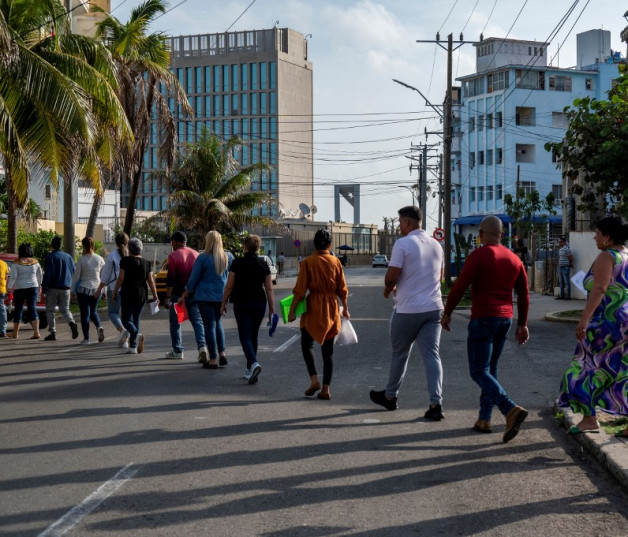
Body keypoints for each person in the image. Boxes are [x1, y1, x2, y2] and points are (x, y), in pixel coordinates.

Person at [441, 215, 530, 443]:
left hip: (483, 318)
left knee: (478, 371)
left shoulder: (478, 255)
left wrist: (447, 312)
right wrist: (523, 324)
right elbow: (524, 294)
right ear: (502, 234)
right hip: (506, 319)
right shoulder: (514, 259)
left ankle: (510, 409)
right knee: (490, 369)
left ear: (481, 233)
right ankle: (484, 419)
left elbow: (460, 285)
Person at [369, 206, 445, 419]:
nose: (399, 226)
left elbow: (392, 276)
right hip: (434, 309)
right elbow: (439, 277)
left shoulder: (402, 244)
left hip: (408, 310)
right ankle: (435, 404)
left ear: (408, 223)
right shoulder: (436, 246)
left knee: (400, 354)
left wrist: (388, 288)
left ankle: (391, 396)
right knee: (432, 356)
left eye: (401, 222)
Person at [557, 216, 628, 437]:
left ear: (607, 237)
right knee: (622, 371)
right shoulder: (626, 255)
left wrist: (584, 319)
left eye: (597, 233)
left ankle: (589, 419)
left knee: (582, 368)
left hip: (606, 324)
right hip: (624, 320)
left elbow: (599, 289)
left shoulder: (607, 256)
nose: (595, 238)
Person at [288, 229, 349, 400]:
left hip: (313, 306)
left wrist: (292, 311)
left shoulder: (308, 262)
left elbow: (300, 290)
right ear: (329, 245)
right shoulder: (336, 262)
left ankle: (314, 379)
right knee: (327, 350)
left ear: (315, 244)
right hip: (330, 307)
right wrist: (346, 308)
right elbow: (342, 289)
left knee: (306, 344)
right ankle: (326, 389)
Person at [221, 234, 275, 384]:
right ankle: (249, 370)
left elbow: (229, 286)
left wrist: (223, 302)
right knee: (253, 335)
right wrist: (272, 309)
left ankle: (253, 363)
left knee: (244, 336)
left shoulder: (237, 263)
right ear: (258, 247)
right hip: (259, 302)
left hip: (242, 302)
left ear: (244, 246)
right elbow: (269, 289)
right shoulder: (263, 264)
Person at [180, 231, 232, 368]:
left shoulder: (202, 258)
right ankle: (222, 354)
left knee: (209, 326)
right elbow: (229, 279)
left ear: (208, 241)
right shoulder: (227, 257)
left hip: (204, 296)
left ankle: (213, 359)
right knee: (218, 323)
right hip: (220, 296)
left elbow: (193, 279)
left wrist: (185, 293)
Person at [112, 238, 158, 354]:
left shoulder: (125, 261)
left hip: (128, 294)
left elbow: (121, 278)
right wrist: (155, 294)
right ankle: (133, 346)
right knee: (136, 318)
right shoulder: (147, 263)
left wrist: (114, 291)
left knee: (126, 319)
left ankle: (136, 335)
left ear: (130, 248)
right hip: (142, 295)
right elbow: (150, 281)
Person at [163, 231, 204, 360]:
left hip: (177, 296)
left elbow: (170, 279)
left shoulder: (173, 256)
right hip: (193, 294)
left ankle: (178, 350)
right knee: (197, 321)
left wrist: (167, 297)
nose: (171, 244)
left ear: (176, 242)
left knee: (176, 323)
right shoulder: (196, 254)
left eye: (172, 241)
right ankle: (202, 347)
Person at [96, 232, 130, 347]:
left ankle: (122, 330)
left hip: (114, 288)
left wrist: (99, 289)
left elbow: (105, 276)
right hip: (128, 288)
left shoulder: (112, 256)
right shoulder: (129, 254)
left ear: (116, 242)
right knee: (126, 314)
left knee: (112, 313)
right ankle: (127, 338)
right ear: (127, 242)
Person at [42, 236, 78, 341]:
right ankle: (72, 323)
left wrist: (44, 287)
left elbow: (47, 274)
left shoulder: (50, 257)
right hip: (66, 287)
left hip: (53, 287)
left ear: (52, 245)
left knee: (50, 310)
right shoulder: (68, 257)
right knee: (65, 309)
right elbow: (73, 271)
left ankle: (52, 332)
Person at [71, 237, 105, 345]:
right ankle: (99, 326)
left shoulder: (82, 259)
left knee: (85, 314)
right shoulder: (100, 259)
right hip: (96, 288)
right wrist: (103, 290)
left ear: (84, 246)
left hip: (83, 289)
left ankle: (86, 339)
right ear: (93, 245)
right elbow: (103, 276)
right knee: (93, 311)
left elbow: (76, 276)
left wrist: (72, 290)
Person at [7, 243, 43, 339]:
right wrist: (39, 286)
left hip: (20, 288)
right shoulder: (36, 262)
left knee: (19, 309)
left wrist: (9, 288)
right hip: (33, 287)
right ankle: (36, 332)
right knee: (32, 308)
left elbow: (13, 277)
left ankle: (15, 333)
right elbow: (40, 275)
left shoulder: (16, 263)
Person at [556, 236, 574, 300]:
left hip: (565, 267)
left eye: (561, 242)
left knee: (566, 282)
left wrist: (570, 263)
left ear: (564, 242)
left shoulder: (567, 249)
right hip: (560, 267)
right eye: (559, 242)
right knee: (561, 282)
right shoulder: (560, 249)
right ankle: (562, 295)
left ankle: (568, 296)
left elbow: (571, 257)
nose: (559, 243)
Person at [0, 257, 9, 337]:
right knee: (2, 309)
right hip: (2, 289)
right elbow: (6, 278)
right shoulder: (4, 263)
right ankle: (3, 330)